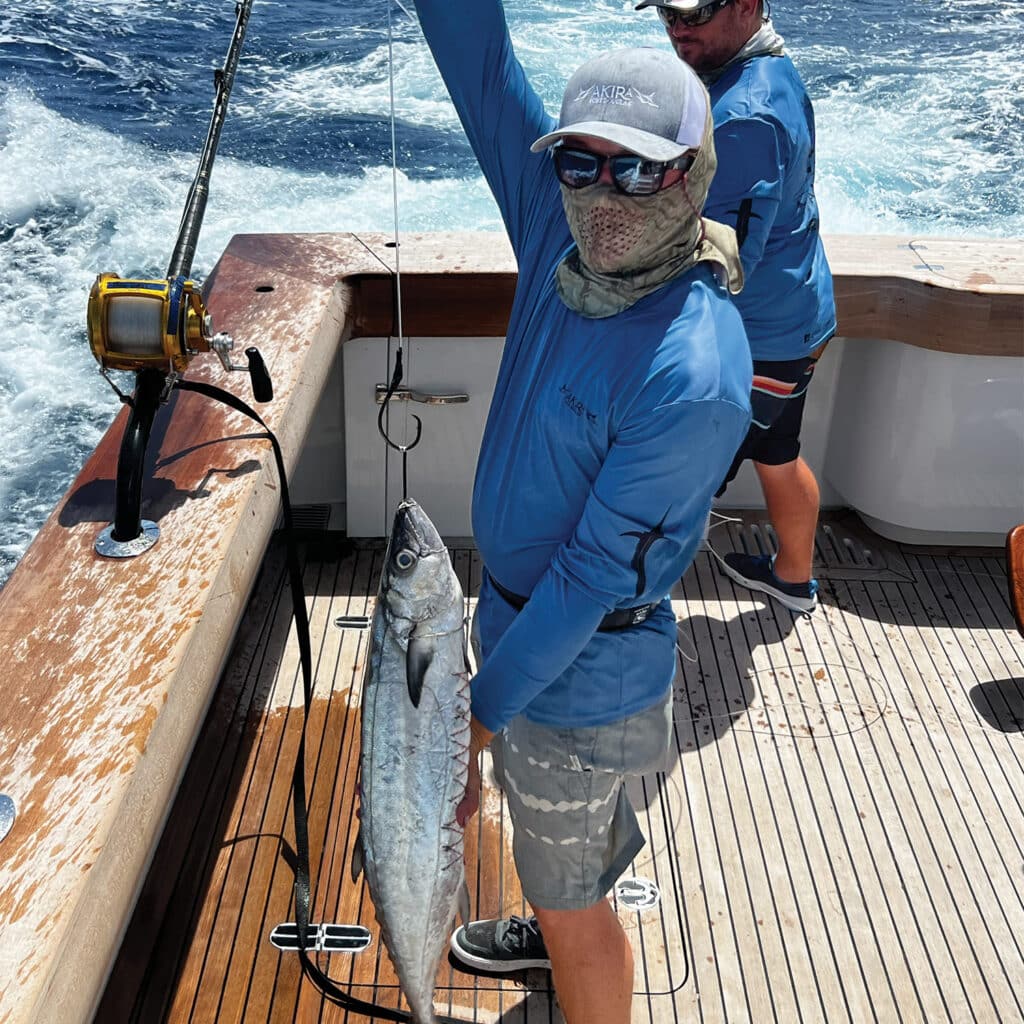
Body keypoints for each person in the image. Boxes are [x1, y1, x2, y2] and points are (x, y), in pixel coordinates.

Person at [407, 0, 752, 1020]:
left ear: (692, 173)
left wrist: (468, 722)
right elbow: (478, 59)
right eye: (581, 163)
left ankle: (567, 943)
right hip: (519, 635)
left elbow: (589, 577)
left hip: (575, 671)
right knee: (561, 858)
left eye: (639, 166)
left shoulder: (691, 372)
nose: (605, 193)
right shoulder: (555, 231)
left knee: (574, 904)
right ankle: (557, 911)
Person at [637, 0, 837, 613]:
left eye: (692, 16)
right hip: (797, 312)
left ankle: (631, 614)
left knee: (675, 485)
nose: (677, 29)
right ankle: (792, 578)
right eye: (667, 15)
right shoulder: (767, 68)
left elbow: (720, 255)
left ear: (747, 6)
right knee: (777, 451)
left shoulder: (747, 116)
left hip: (757, 338)